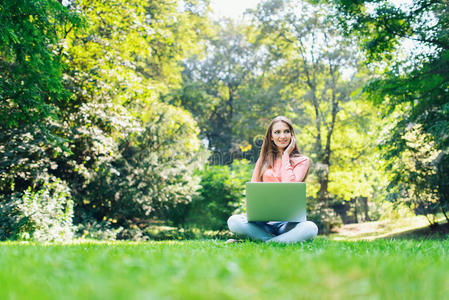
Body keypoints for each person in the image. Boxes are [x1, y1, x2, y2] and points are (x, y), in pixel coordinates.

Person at [227, 116, 318, 243]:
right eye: (277, 132)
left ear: (292, 135)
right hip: (263, 224)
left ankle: (263, 242)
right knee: (234, 221)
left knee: (311, 228)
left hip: (288, 225)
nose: (282, 136)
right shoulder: (263, 160)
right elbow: (253, 192)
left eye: (286, 131)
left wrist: (286, 155)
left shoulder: (303, 161)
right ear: (271, 136)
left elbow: (289, 186)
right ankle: (279, 241)